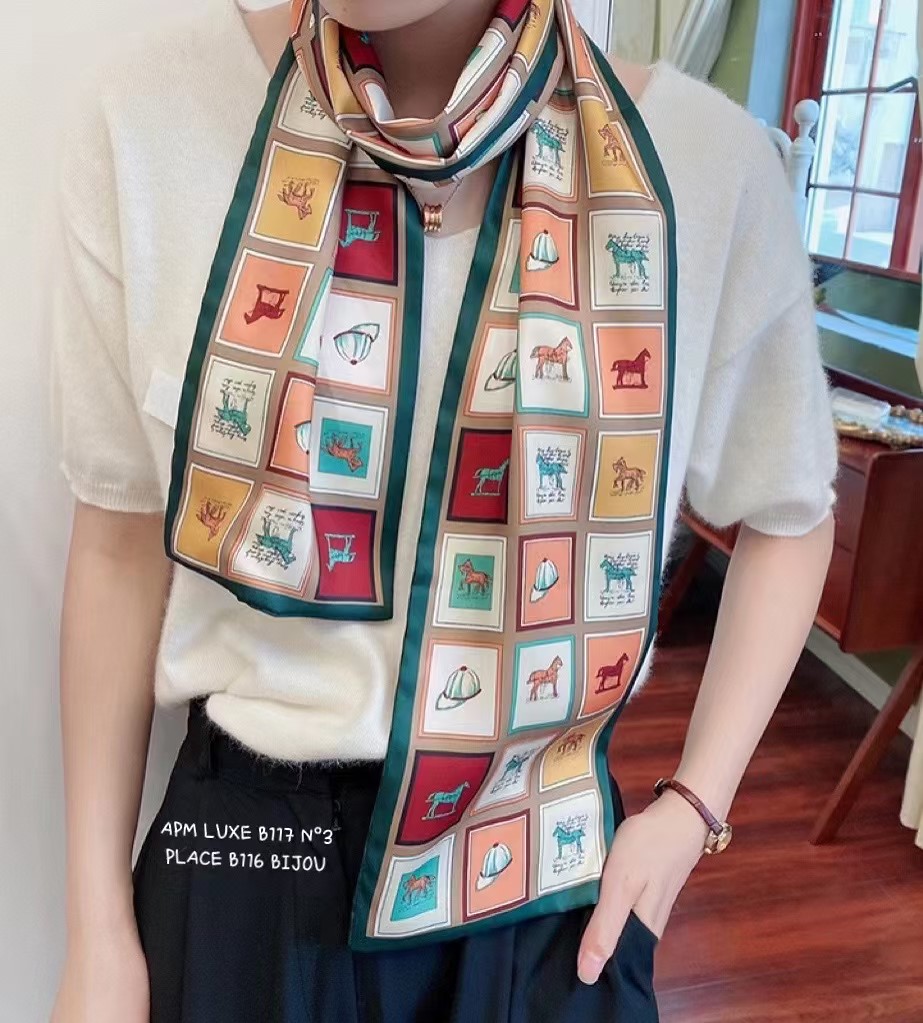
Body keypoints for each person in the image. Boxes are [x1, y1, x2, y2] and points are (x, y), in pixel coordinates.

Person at [49, 0, 838, 1021]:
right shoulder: (146, 118)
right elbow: (119, 541)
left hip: (540, 882)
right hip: (246, 866)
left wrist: (693, 808)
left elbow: (789, 512)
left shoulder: (705, 168)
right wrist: (97, 930)